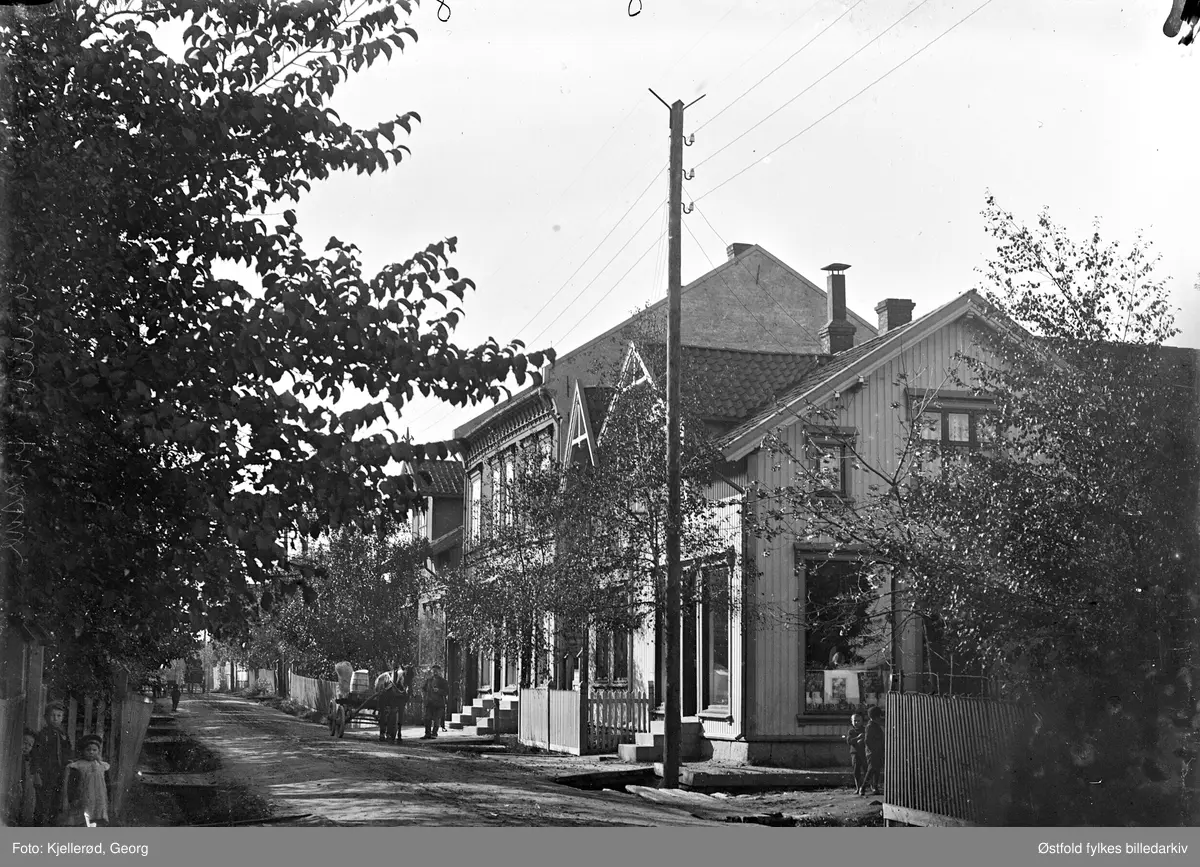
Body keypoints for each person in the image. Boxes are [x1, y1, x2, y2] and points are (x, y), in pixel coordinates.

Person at [33, 700, 73, 826]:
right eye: (52, 715)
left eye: (59, 715)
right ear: (46, 717)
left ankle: (52, 827)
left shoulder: (64, 735)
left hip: (59, 773)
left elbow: (68, 751)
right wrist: (36, 773)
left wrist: (69, 763)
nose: (55, 718)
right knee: (42, 804)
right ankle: (38, 827)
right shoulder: (43, 735)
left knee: (56, 803)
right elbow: (36, 755)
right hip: (45, 774)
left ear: (62, 718)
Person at [63, 734, 112, 827]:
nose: (91, 752)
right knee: (83, 820)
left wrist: (109, 798)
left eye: (94, 750)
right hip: (83, 799)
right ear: (83, 751)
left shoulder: (103, 766)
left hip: (99, 800)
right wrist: (72, 799)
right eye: (88, 750)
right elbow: (72, 785)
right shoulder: (77, 766)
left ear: (98, 751)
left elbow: (108, 784)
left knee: (97, 820)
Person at [8, 728, 39, 826]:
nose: (26, 747)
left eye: (30, 745)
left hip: (26, 793)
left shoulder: (29, 761)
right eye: (25, 743)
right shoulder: (12, 759)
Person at [421, 665, 449, 739]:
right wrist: (425, 696)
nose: (435, 672)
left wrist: (439, 690)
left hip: (438, 704)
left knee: (436, 719)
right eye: (433, 671)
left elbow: (447, 692)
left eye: (436, 671)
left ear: (439, 671)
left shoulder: (443, 681)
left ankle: (434, 733)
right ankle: (427, 734)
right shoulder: (428, 680)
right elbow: (423, 688)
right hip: (429, 703)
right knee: (427, 718)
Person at [863, 705, 885, 796]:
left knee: (877, 769)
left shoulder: (875, 725)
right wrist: (873, 750)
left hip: (877, 751)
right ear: (875, 717)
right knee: (871, 769)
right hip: (872, 752)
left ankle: (874, 786)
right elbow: (867, 740)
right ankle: (863, 787)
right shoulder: (870, 726)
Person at [846, 713, 867, 796]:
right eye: (854, 721)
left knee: (866, 770)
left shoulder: (865, 730)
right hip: (855, 753)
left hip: (864, 753)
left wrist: (863, 739)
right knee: (856, 771)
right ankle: (858, 787)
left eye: (858, 721)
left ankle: (865, 787)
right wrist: (858, 738)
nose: (856, 723)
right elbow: (849, 741)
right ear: (851, 722)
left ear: (862, 721)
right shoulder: (851, 731)